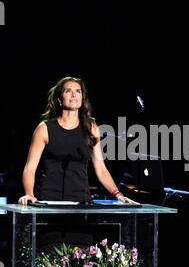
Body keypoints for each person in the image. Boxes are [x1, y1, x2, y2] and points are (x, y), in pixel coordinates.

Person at [18, 76, 138, 206]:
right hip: (49, 200)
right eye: (68, 91)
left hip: (81, 201)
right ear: (59, 98)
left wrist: (118, 194)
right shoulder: (44, 129)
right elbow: (30, 168)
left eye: (78, 91)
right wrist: (29, 194)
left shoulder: (91, 128)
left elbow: (101, 168)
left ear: (82, 98)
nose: (74, 94)